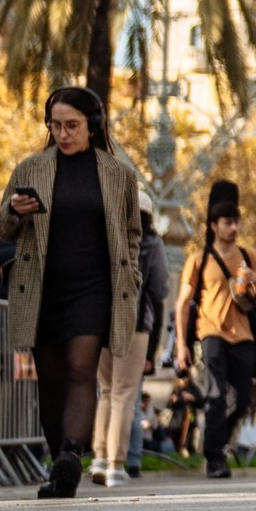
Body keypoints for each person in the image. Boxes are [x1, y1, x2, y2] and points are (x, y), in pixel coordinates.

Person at [0, 86, 146, 500]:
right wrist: (13, 211)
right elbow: (2, 227)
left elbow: (133, 233)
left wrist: (130, 274)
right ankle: (57, 462)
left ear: (93, 126)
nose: (63, 134)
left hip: (95, 288)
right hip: (42, 288)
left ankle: (71, 454)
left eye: (72, 125)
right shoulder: (31, 169)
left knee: (82, 368)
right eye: (55, 125)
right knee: (52, 379)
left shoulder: (118, 174)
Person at [176, 180, 256, 481]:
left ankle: (217, 442)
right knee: (215, 395)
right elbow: (182, 304)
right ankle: (214, 458)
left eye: (236, 222)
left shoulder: (249, 255)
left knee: (241, 401)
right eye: (228, 223)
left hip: (243, 336)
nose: (234, 228)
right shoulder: (198, 260)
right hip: (210, 332)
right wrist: (181, 345)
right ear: (214, 226)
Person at [89, 197, 168, 489]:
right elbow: (160, 289)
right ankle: (116, 464)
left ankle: (98, 456)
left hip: (100, 320)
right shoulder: (152, 244)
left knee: (106, 391)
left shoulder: (105, 239)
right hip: (134, 322)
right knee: (124, 393)